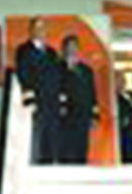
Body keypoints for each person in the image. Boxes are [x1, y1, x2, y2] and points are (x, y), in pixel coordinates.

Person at [13, 17, 60, 164]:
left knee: (50, 140)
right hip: (36, 104)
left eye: (43, 28)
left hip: (51, 104)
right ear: (31, 30)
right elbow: (23, 74)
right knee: (35, 139)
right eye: (37, 27)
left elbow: (57, 77)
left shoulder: (52, 53)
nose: (40, 31)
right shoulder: (23, 50)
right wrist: (30, 100)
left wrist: (60, 100)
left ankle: (49, 168)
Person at [52, 34, 99, 165]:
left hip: (83, 118)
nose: (73, 50)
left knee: (81, 153)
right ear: (64, 49)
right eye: (70, 47)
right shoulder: (57, 68)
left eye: (75, 47)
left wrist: (94, 116)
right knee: (65, 154)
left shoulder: (87, 70)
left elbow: (92, 94)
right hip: (65, 118)